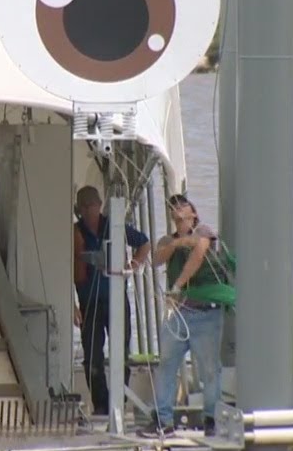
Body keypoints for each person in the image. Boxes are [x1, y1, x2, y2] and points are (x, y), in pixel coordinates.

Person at [142, 193, 229, 438]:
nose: (178, 209)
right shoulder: (167, 240)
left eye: (183, 205)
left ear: (193, 212)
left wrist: (178, 285)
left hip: (206, 314)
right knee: (166, 364)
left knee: (209, 370)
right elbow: (157, 259)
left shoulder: (204, 231)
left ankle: (212, 419)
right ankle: (163, 419)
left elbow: (199, 252)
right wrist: (176, 243)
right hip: (179, 315)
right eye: (174, 207)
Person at [73, 185, 152, 417]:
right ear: (79, 209)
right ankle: (101, 404)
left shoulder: (114, 225)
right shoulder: (75, 233)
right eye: (85, 207)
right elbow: (66, 267)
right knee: (92, 356)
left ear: (100, 205)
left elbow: (144, 243)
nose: (90, 211)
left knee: (122, 352)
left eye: (93, 205)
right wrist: (72, 307)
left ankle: (119, 400)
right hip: (88, 303)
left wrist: (134, 265)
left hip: (117, 300)